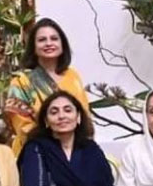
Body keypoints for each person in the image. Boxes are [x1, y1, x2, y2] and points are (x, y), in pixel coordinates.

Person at [5, 17, 90, 155]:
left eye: (54, 39)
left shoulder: (73, 76)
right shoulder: (21, 82)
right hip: (36, 152)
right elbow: (23, 127)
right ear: (33, 47)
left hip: (74, 150)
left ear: (63, 44)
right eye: (42, 40)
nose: (49, 43)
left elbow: (84, 115)